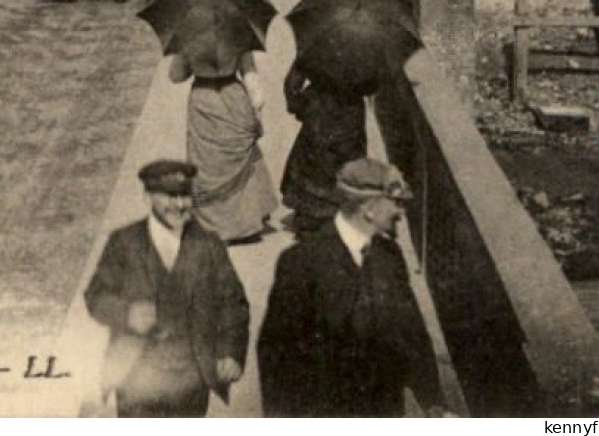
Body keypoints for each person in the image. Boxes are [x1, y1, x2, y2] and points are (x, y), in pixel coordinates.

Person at [258, 158, 447, 418]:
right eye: (395, 204)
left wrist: (434, 402)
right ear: (369, 208)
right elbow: (275, 353)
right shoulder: (301, 262)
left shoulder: (390, 256)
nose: (401, 213)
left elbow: (411, 330)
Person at [82, 160, 250, 418]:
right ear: (148, 196)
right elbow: (95, 296)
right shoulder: (124, 243)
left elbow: (233, 303)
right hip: (136, 378)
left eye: (185, 196)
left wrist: (230, 352)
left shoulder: (208, 245)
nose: (179, 205)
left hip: (190, 382)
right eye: (169, 196)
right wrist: (126, 313)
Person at [168, 50, 277, 243]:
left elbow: (176, 76)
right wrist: (257, 112)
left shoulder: (189, 36)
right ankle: (246, 222)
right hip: (233, 96)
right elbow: (251, 76)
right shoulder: (238, 33)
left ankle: (213, 224)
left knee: (206, 162)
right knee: (242, 160)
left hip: (203, 99)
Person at [279, 63, 367, 233]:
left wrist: (298, 106)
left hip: (319, 108)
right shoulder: (363, 49)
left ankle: (311, 214)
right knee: (347, 157)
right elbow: (371, 85)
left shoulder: (317, 44)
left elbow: (292, 83)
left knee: (312, 159)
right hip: (350, 112)